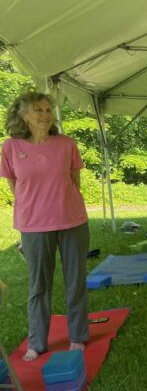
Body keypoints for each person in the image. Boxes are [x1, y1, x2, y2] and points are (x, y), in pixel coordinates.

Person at [0, 92, 90, 361]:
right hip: (33, 225)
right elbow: (15, 185)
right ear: (23, 115)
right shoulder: (10, 147)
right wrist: (34, 208)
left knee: (76, 280)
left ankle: (78, 336)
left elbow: (74, 181)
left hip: (72, 220)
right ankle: (37, 342)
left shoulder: (66, 144)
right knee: (39, 285)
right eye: (38, 109)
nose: (45, 114)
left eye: (48, 109)